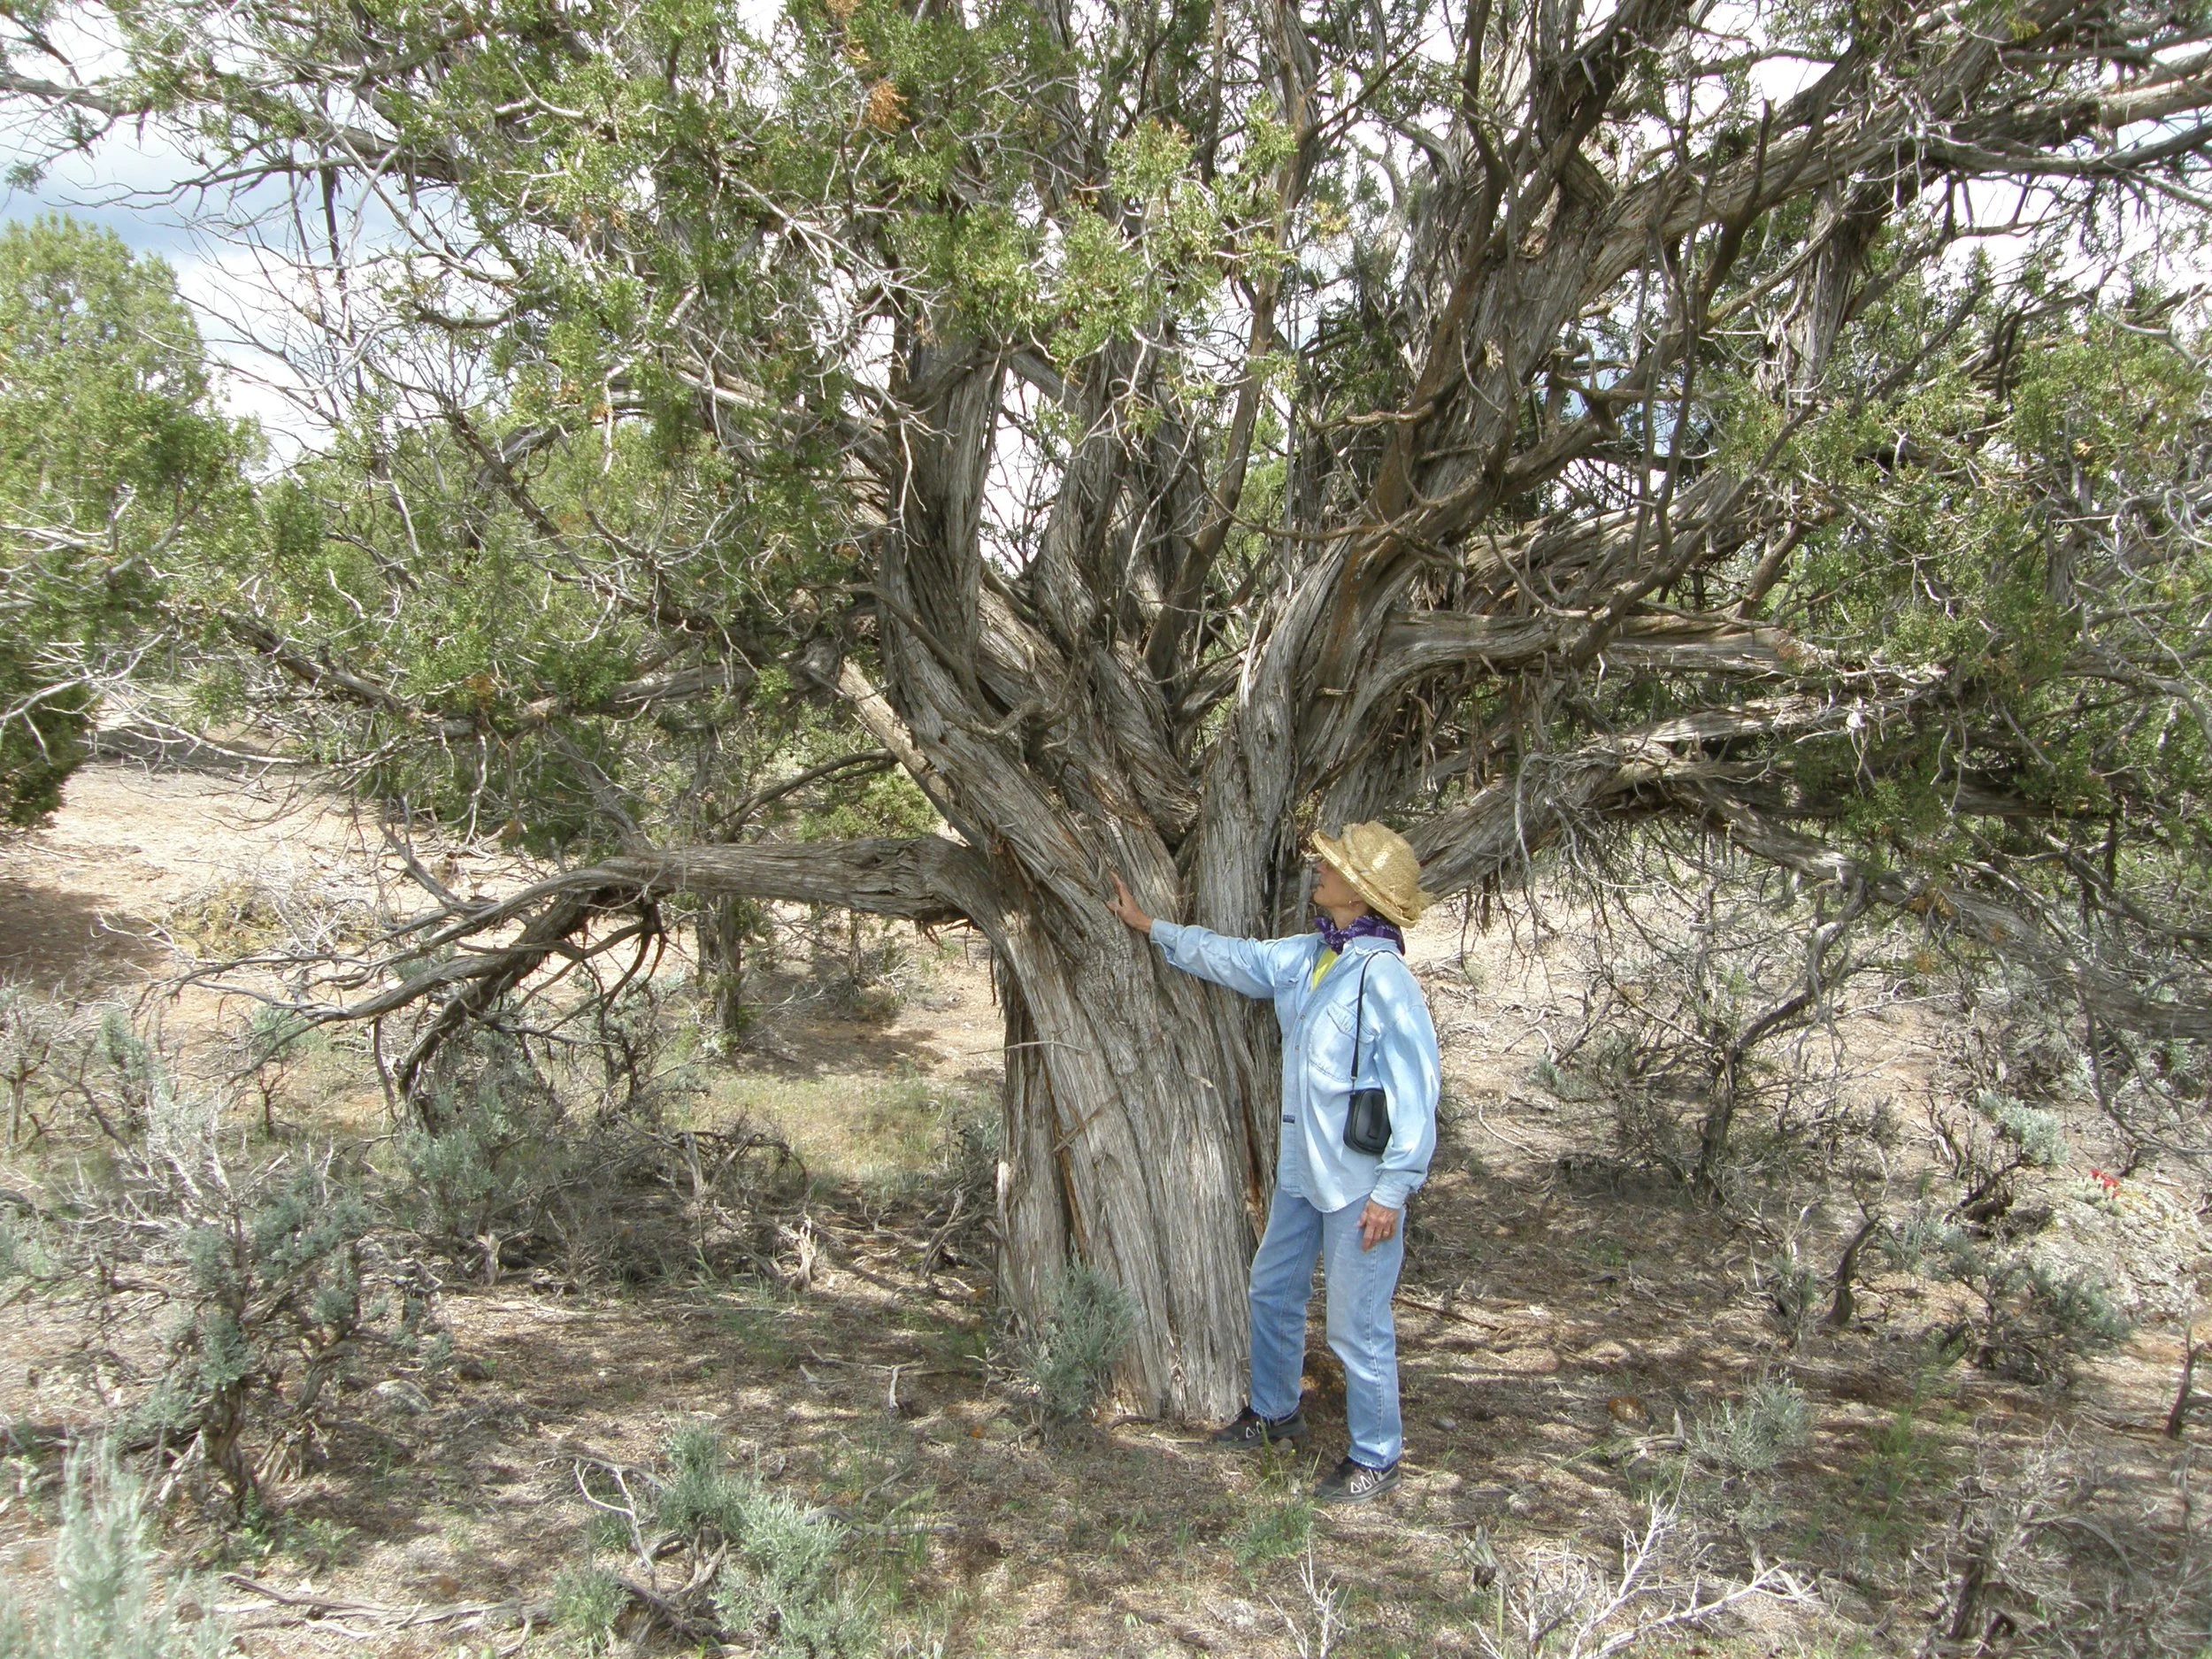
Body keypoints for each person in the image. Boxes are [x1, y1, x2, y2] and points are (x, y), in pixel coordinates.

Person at [1107, 822, 1440, 1504]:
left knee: (1356, 1324)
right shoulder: (1311, 954)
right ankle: (1273, 1412)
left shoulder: (1386, 978)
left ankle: (1378, 1453)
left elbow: (1417, 1087)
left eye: (1335, 866)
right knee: (1273, 1287)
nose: (1320, 868)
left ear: (1363, 896)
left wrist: (1396, 1187)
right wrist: (1152, 927)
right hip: (1302, 1171)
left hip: (1359, 1184)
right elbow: (1238, 957)